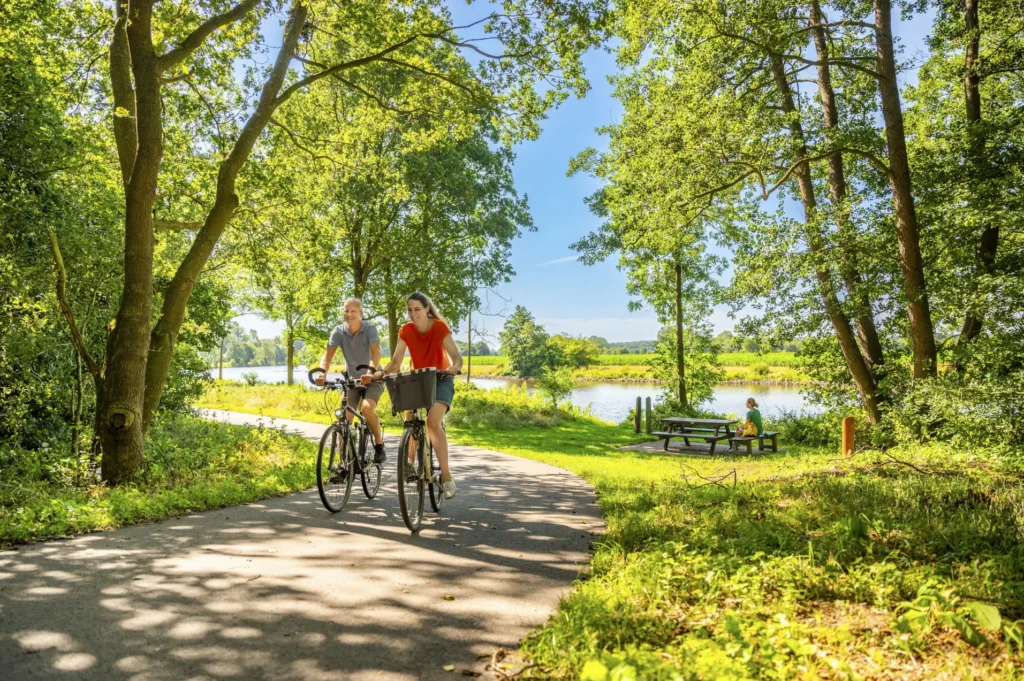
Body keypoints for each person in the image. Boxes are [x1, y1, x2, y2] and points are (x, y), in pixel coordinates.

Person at [369, 292, 462, 499]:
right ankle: (410, 463)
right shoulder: (406, 330)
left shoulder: (439, 327)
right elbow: (395, 362)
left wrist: (454, 368)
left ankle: (446, 476)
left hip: (441, 378)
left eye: (417, 309)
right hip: (418, 378)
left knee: (432, 422)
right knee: (409, 420)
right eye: (409, 310)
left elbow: (457, 357)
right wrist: (382, 373)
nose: (412, 314)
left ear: (427, 308)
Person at [316, 298, 387, 464]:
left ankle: (379, 445)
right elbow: (327, 356)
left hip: (373, 379)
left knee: (367, 408)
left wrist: (370, 371)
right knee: (344, 419)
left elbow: (376, 352)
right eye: (346, 311)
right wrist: (322, 374)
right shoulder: (339, 331)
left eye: (353, 311)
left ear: (361, 314)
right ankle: (343, 463)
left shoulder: (370, 329)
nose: (349, 314)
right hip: (353, 381)